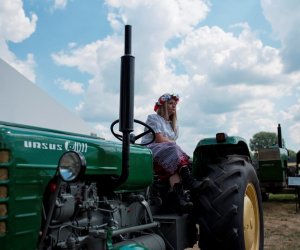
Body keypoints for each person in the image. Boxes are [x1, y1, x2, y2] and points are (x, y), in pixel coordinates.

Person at [141, 93, 203, 211]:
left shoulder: (172, 125)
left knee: (174, 169)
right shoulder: (153, 118)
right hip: (151, 150)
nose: (174, 106)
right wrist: (173, 145)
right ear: (163, 106)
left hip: (166, 152)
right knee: (173, 148)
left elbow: (171, 143)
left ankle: (181, 199)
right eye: (170, 103)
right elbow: (159, 139)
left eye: (175, 104)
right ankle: (190, 182)